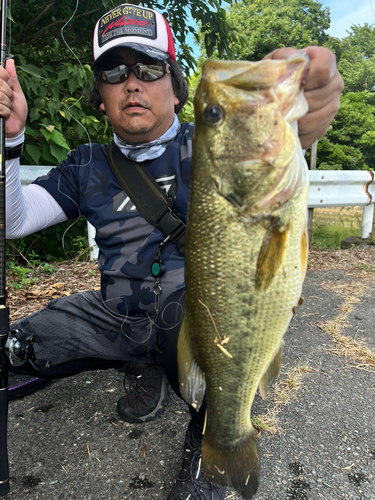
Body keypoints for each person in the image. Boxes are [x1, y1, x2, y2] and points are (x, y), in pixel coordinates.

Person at [0, 4, 344, 499]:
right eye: (113, 71)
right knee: (16, 348)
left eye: (149, 68)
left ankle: (211, 444)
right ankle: (147, 370)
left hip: (196, 323)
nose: (132, 83)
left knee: (218, 354)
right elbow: (14, 221)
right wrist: (12, 140)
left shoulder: (205, 143)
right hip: (114, 316)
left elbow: (267, 148)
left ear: (178, 88)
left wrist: (301, 109)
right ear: (101, 95)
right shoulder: (85, 165)